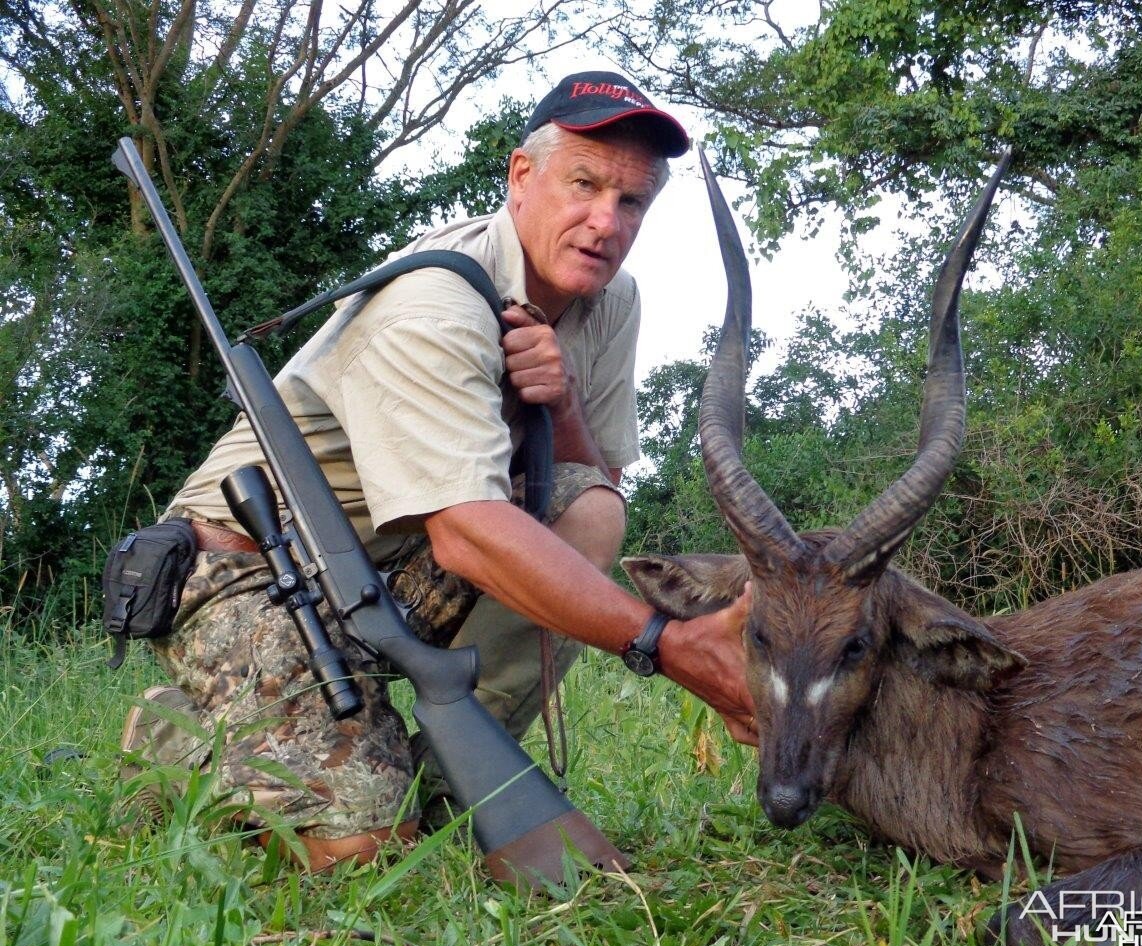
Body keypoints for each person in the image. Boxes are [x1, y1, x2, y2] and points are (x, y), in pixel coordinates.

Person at [119, 71, 756, 869]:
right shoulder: (436, 297)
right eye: (585, 184)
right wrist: (670, 645)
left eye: (632, 202)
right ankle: (179, 742)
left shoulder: (612, 299)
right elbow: (465, 537)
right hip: (246, 567)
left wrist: (558, 406)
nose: (606, 222)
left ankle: (454, 786)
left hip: (387, 568)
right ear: (522, 176)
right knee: (360, 851)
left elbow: (599, 489)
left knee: (586, 507)